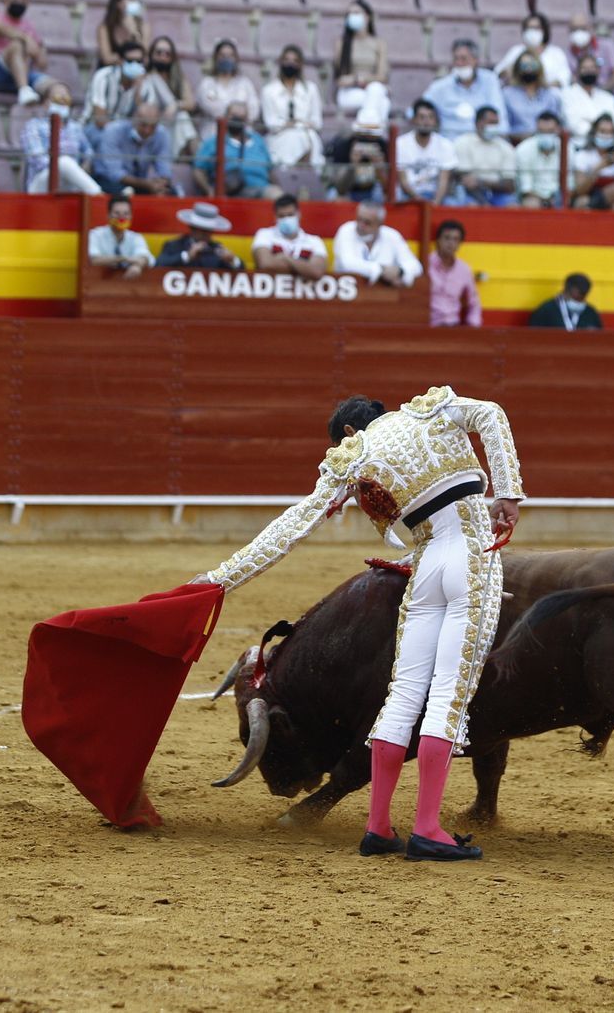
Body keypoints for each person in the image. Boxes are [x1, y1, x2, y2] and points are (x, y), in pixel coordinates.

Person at [191, 386, 525, 864]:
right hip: (473, 558)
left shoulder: (354, 457)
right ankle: (429, 829)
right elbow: (491, 414)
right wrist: (507, 493)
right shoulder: (432, 411)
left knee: (404, 693)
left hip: (424, 567)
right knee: (449, 694)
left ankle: (378, 827)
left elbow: (292, 526)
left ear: (349, 432)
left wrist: (218, 579)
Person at [21, 83, 100, 195]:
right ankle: (98, 195)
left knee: (67, 166)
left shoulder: (75, 127)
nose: (62, 101)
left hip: (70, 182)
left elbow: (88, 152)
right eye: (57, 98)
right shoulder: (33, 126)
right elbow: (37, 159)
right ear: (45, 103)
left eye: (65, 98)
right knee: (64, 162)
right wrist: (64, 168)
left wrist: (85, 164)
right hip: (42, 182)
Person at [193, 100, 277, 200]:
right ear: (225, 117)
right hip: (230, 191)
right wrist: (209, 190)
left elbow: (270, 170)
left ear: (246, 120)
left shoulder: (258, 140)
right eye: (233, 116)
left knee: (279, 197)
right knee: (274, 195)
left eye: (241, 118)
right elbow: (198, 170)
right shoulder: (213, 142)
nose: (237, 120)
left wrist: (278, 188)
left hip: (261, 189)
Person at [425, 40, 506, 141]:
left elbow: (500, 116)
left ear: (475, 60)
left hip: (482, 142)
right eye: (456, 59)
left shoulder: (490, 81)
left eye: (464, 59)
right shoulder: (441, 86)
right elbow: (416, 111)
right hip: (451, 144)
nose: (459, 63)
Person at [262, 44, 322, 169]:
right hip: (279, 137)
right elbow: (271, 123)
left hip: (307, 135)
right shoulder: (268, 91)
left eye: (295, 61)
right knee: (293, 138)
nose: (290, 64)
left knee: (305, 138)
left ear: (300, 65)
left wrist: (294, 124)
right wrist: (294, 123)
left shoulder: (311, 89)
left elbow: (317, 122)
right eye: (287, 60)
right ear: (280, 62)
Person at [333, 201, 422, 286]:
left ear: (380, 223)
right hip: (348, 295)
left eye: (367, 222)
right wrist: (382, 271)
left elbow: (416, 267)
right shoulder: (346, 230)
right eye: (359, 219)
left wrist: (400, 271)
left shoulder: (392, 235)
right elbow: (348, 264)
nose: (361, 225)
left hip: (385, 298)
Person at [97, 101, 173, 196]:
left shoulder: (162, 134)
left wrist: (162, 183)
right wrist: (146, 184)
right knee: (123, 193)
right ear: (134, 120)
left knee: (170, 192)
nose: (147, 131)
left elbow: (164, 168)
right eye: (143, 125)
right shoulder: (113, 131)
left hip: (141, 183)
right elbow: (115, 174)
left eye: (153, 126)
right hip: (109, 181)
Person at [331, 0, 390, 121]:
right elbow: (340, 79)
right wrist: (362, 80)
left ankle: (364, 129)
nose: (353, 17)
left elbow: (382, 76)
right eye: (350, 14)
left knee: (376, 90)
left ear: (368, 17)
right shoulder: (341, 44)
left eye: (357, 13)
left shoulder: (379, 44)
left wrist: (358, 78)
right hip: (348, 93)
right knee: (383, 102)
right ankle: (372, 134)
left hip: (371, 89)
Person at [251, 193, 327, 281]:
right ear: (275, 217)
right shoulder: (264, 234)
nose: (286, 219)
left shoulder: (314, 241)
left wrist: (285, 258)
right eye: (282, 216)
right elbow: (265, 264)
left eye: (290, 215)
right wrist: (304, 268)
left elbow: (316, 272)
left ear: (299, 214)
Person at [570, 115, 614, 211]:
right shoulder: (583, 154)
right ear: (594, 133)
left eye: (610, 132)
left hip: (613, 195)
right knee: (582, 202)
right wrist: (598, 168)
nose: (606, 136)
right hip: (590, 194)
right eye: (602, 132)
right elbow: (580, 190)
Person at [142, 35, 196, 158]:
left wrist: (175, 105)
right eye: (159, 52)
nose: (163, 56)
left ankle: (198, 162)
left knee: (183, 117)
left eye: (167, 54)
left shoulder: (178, 77)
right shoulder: (145, 77)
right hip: (151, 123)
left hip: (172, 122)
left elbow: (190, 103)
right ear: (151, 55)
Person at [452, 105, 516, 207]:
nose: (494, 127)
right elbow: (467, 182)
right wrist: (484, 204)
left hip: (498, 193)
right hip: (471, 193)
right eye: (490, 123)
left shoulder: (506, 147)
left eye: (496, 123)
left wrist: (481, 182)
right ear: (478, 123)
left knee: (513, 206)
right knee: (472, 206)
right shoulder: (462, 142)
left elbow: (509, 185)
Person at [395, 99, 456, 203]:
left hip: (435, 195)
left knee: (453, 202)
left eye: (431, 117)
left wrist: (436, 202)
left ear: (435, 121)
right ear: (413, 120)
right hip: (409, 195)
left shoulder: (446, 145)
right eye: (422, 117)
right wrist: (420, 202)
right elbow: (403, 181)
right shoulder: (400, 143)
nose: (427, 122)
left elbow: (444, 181)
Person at [85, 40, 147, 135]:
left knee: (159, 134)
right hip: (95, 129)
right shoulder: (103, 77)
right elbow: (100, 120)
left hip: (125, 133)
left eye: (139, 61)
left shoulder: (143, 82)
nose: (135, 65)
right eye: (130, 61)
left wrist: (138, 92)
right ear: (120, 61)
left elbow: (144, 122)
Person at [157, 202, 243, 269]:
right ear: (192, 228)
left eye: (208, 230)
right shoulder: (174, 245)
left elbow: (243, 271)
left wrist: (233, 261)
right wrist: (187, 256)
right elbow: (159, 264)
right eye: (201, 229)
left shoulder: (217, 249)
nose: (205, 234)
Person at [427, 219, 480, 327]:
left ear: (460, 244)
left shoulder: (464, 269)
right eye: (447, 238)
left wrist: (473, 326)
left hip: (453, 325)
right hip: (427, 325)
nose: (451, 243)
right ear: (438, 240)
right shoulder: (425, 265)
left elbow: (474, 302)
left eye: (456, 239)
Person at [494, 13, 570, 88]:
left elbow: (564, 78)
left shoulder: (556, 53)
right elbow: (498, 72)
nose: (532, 31)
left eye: (536, 28)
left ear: (544, 30)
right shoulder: (516, 51)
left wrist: (543, 88)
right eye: (529, 28)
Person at [500, 51, 562, 142]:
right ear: (517, 69)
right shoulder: (507, 94)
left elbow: (555, 123)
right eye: (524, 65)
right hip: (516, 143)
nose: (528, 69)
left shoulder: (550, 95)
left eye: (532, 64)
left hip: (545, 143)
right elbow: (504, 125)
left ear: (539, 68)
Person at [88, 195, 154, 279]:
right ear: (108, 215)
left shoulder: (136, 237)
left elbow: (145, 257)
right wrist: (121, 259)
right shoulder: (95, 235)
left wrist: (137, 266)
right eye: (117, 213)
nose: (121, 218)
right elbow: (94, 260)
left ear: (131, 216)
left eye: (126, 214)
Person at [327, 110, 387, 203]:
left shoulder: (382, 146)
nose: (368, 142)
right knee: (334, 196)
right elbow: (340, 189)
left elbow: (388, 188)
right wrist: (352, 165)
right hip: (348, 190)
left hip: (372, 190)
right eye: (363, 138)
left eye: (372, 138)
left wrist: (379, 168)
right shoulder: (343, 145)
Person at [197, 39, 259, 125]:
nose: (226, 58)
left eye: (230, 56)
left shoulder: (245, 83)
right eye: (222, 55)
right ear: (216, 58)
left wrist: (240, 114)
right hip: (214, 131)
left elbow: (254, 109)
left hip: (241, 131)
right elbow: (210, 107)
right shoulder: (207, 83)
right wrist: (235, 110)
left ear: (236, 58)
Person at [559, 52, 614, 136]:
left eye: (592, 68)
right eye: (584, 68)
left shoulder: (607, 97)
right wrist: (599, 129)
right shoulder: (567, 94)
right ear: (577, 72)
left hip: (608, 141)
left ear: (598, 71)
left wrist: (591, 122)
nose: (588, 71)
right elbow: (573, 123)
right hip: (580, 144)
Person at [514, 111, 567, 208]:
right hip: (534, 196)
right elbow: (526, 188)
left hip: (559, 197)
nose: (545, 136)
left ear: (558, 130)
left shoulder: (567, 148)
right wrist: (546, 201)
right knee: (531, 204)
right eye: (541, 132)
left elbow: (570, 184)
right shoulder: (523, 149)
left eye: (550, 131)